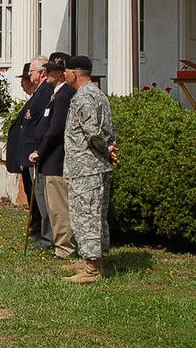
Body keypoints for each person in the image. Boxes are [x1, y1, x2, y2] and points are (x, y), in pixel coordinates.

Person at [61, 55, 118, 284]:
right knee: (96, 215)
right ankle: (92, 258)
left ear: (75, 73)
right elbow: (109, 130)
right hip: (95, 166)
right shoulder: (99, 95)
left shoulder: (84, 98)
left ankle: (92, 268)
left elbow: (93, 133)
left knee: (87, 216)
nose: (64, 75)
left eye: (66, 71)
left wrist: (105, 150)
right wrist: (110, 150)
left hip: (87, 168)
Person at [30, 52, 76, 260]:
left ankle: (64, 249)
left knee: (59, 208)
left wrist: (41, 151)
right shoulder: (56, 93)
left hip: (55, 157)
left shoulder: (64, 94)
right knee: (52, 205)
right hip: (49, 158)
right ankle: (60, 245)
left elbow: (56, 129)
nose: (45, 73)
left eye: (50, 70)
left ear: (60, 72)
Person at [6, 56, 53, 249]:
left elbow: (37, 127)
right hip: (29, 154)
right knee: (36, 196)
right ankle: (39, 231)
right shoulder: (40, 93)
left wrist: (32, 152)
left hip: (35, 154)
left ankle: (45, 235)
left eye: (30, 73)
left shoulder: (46, 92)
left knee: (41, 197)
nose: (28, 78)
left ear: (41, 73)